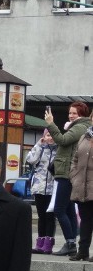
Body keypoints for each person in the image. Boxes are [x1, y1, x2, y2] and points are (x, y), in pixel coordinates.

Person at [44, 102, 91, 256]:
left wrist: (51, 124)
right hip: (68, 172)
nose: (71, 116)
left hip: (67, 173)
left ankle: (71, 242)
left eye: (74, 114)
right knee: (69, 209)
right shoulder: (78, 126)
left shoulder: (80, 127)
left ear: (82, 115)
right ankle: (71, 243)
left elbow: (62, 140)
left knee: (59, 209)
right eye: (70, 113)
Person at [28, 130, 57, 254]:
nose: (50, 138)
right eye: (48, 135)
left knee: (50, 216)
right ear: (44, 136)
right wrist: (39, 145)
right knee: (41, 216)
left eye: (52, 135)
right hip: (39, 187)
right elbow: (31, 160)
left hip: (52, 188)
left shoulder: (59, 149)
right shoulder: (40, 147)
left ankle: (48, 244)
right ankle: (39, 244)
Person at [69, 119, 93, 262]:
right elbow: (75, 158)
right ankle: (82, 251)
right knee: (85, 220)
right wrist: (74, 176)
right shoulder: (85, 136)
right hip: (82, 186)